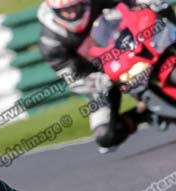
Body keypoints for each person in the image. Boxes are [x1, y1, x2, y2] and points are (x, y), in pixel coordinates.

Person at [38, 0, 176, 152]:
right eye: (65, 11)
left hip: (128, 48)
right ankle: (144, 114)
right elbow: (71, 77)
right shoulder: (50, 42)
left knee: (163, 11)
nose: (72, 13)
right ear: (54, 12)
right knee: (106, 137)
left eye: (74, 7)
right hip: (100, 79)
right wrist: (94, 81)